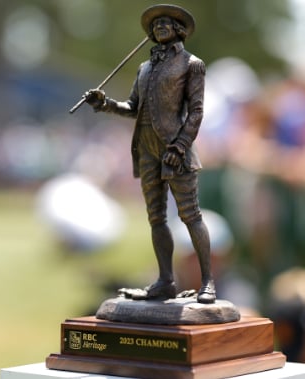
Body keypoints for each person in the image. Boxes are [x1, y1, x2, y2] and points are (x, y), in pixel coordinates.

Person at [84, 4, 215, 303]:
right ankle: (165, 281)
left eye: (166, 23)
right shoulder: (145, 68)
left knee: (190, 215)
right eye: (155, 25)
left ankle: (208, 281)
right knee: (156, 218)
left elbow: (195, 113)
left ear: (179, 30)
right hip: (146, 150)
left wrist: (179, 147)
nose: (159, 27)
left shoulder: (192, 64)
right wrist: (105, 104)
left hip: (174, 150)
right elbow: (133, 107)